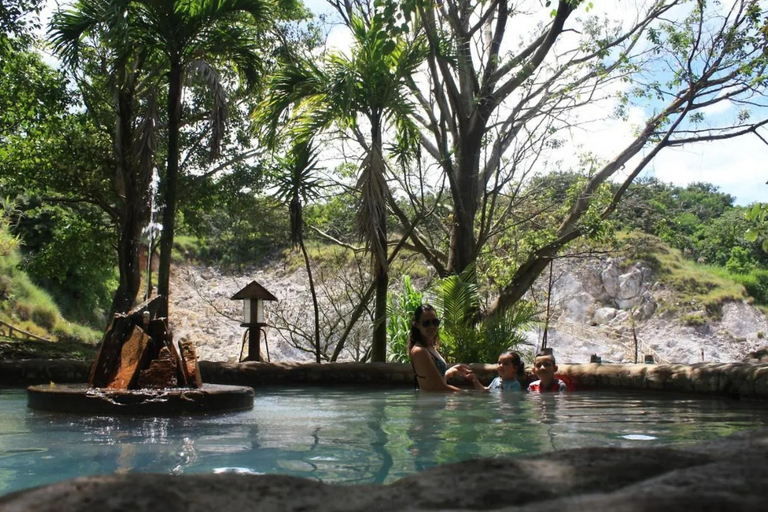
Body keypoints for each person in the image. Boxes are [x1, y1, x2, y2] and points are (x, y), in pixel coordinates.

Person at [408, 304, 483, 392]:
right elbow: (439, 388)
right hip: (430, 401)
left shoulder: (429, 347)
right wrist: (470, 395)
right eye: (426, 323)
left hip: (437, 399)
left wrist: (451, 371)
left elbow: (432, 381)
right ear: (417, 325)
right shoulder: (419, 351)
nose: (432, 326)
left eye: (435, 322)